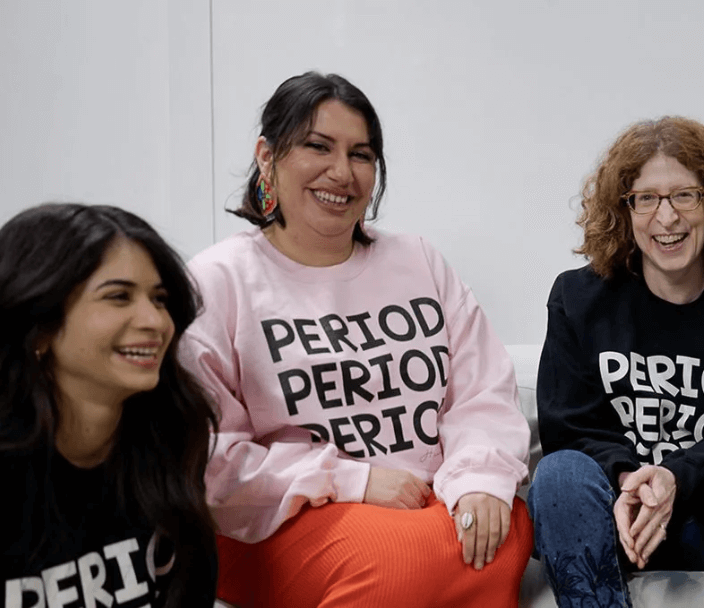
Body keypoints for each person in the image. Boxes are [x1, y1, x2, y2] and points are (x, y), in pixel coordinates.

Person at [179, 71, 533, 608]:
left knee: (502, 525)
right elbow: (211, 459)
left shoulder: (418, 260)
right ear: (267, 156)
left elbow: (482, 391)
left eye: (362, 154)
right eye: (318, 147)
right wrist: (353, 480)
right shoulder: (217, 281)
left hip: (439, 499)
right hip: (286, 519)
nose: (342, 172)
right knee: (396, 564)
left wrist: (481, 480)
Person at [0, 203, 218, 607]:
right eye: (118, 297)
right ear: (39, 328)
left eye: (159, 299)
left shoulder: (171, 438)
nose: (155, 321)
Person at [528, 116, 704, 607]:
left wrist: (674, 476)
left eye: (685, 195)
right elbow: (568, 428)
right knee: (559, 474)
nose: (667, 218)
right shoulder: (579, 298)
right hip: (612, 515)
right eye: (646, 199)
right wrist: (631, 479)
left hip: (697, 509)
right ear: (623, 210)